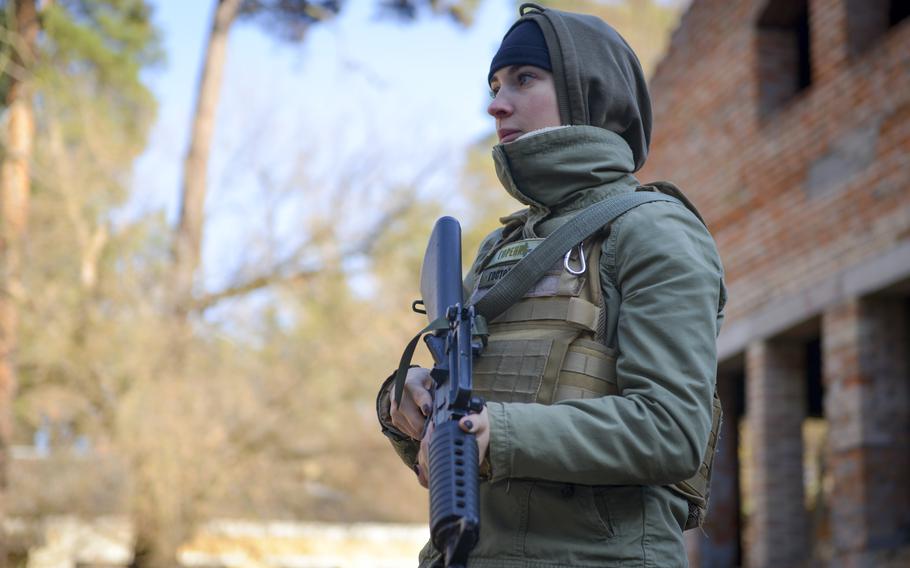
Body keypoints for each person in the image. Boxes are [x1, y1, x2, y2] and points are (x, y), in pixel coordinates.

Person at [376, 3, 726, 567]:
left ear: (588, 90)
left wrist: (500, 433)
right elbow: (465, 431)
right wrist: (410, 401)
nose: (496, 103)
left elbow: (671, 430)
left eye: (524, 78)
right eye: (493, 84)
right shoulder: (502, 248)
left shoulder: (651, 229)